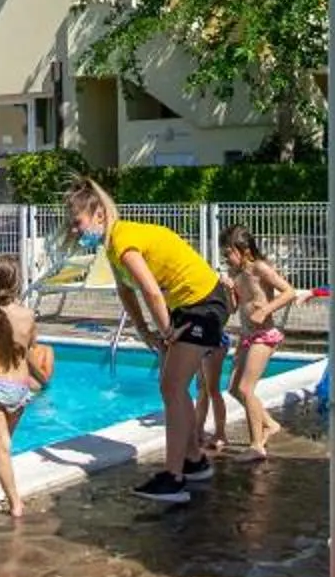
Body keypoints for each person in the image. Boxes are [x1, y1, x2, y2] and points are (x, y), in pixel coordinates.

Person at [66, 178, 227, 505]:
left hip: (204, 303)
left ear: (98, 214)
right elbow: (127, 292)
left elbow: (151, 290)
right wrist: (144, 331)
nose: (75, 231)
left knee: (171, 386)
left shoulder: (123, 240)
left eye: (78, 222)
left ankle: (173, 478)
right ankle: (193, 462)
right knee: (173, 386)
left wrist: (166, 332)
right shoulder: (111, 246)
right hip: (185, 305)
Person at [0, 254, 57, 517]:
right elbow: (30, 349)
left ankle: (14, 503)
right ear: (18, 284)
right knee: (2, 445)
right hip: (20, 387)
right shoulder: (28, 315)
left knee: (0, 446)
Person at [218, 224, 298, 459]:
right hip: (247, 335)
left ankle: (256, 445)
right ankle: (270, 424)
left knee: (245, 388)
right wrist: (229, 291)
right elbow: (233, 309)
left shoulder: (259, 268)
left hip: (264, 335)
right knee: (233, 388)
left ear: (241, 249)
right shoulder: (237, 274)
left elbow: (289, 292)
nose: (225, 259)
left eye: (227, 253)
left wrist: (266, 311)